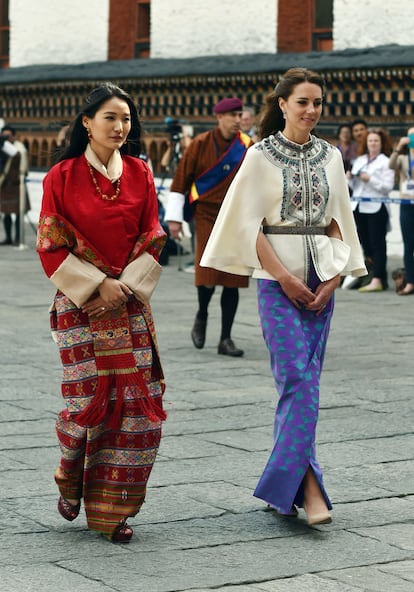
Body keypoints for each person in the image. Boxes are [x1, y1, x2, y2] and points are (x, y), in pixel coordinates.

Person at [201, 68, 366, 525]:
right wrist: (284, 278)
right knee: (296, 378)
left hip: (322, 275)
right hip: (278, 280)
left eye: (317, 103)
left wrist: (333, 278)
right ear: (282, 105)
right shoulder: (259, 157)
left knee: (307, 382)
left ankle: (285, 488)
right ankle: (309, 488)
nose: (311, 111)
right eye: (302, 102)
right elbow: (246, 225)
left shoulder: (331, 156)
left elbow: (340, 222)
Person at [36, 82, 167, 543]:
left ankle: (115, 510)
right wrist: (98, 284)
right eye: (110, 117)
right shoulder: (62, 176)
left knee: (138, 410)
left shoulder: (140, 172)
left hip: (129, 303)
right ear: (87, 123)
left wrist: (124, 285)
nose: (120, 126)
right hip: (80, 305)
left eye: (126, 118)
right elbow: (50, 242)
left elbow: (153, 234)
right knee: (87, 404)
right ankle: (70, 477)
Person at [164, 97, 252, 357]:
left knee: (233, 279)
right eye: (233, 115)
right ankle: (202, 314)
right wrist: (174, 219)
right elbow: (180, 182)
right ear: (219, 117)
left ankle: (226, 338)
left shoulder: (249, 147)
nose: (238, 120)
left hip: (236, 218)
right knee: (208, 274)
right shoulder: (199, 145)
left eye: (240, 115)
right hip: (206, 215)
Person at [348, 128, 395, 292]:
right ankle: (375, 275)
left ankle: (377, 279)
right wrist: (349, 179)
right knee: (365, 243)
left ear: (381, 144)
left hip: (376, 207)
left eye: (376, 141)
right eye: (370, 141)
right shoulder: (360, 160)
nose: (373, 144)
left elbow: (387, 187)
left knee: (378, 244)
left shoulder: (386, 161)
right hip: (359, 206)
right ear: (366, 143)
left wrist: (370, 179)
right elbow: (354, 186)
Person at [389, 126, 414, 295]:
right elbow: (391, 165)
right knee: (408, 244)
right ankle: (410, 281)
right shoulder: (403, 157)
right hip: (406, 202)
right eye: (411, 136)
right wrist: (398, 147)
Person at [0, 125, 30, 245]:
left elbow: (19, 158)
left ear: (13, 136)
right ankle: (8, 238)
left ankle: (18, 238)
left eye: (8, 135)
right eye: (4, 135)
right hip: (5, 184)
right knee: (5, 212)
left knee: (19, 213)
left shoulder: (19, 148)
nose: (6, 138)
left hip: (17, 184)